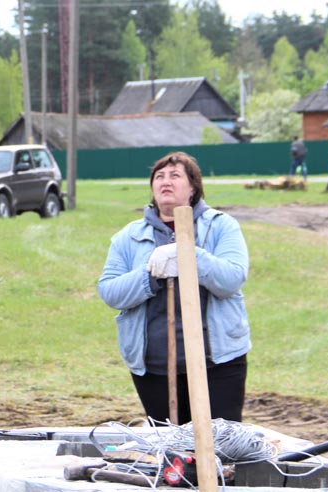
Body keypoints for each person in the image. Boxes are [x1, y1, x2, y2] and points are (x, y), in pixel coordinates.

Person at [97, 152, 251, 424]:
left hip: (217, 363)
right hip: (155, 367)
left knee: (221, 441)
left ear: (193, 188)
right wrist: (150, 274)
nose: (165, 181)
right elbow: (110, 292)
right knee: (170, 443)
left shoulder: (220, 226)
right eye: (159, 176)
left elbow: (231, 279)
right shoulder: (128, 237)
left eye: (175, 175)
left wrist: (190, 254)